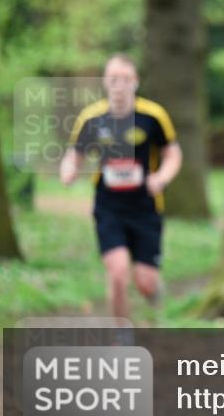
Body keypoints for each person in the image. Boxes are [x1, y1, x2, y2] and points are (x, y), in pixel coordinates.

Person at [60, 54, 182, 326]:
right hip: (109, 207)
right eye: (113, 79)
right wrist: (68, 170)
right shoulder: (92, 118)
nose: (119, 86)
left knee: (145, 282)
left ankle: (153, 291)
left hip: (145, 207)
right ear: (105, 82)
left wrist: (161, 178)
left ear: (135, 82)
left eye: (125, 79)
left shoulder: (153, 115)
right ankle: (121, 337)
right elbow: (74, 155)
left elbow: (173, 154)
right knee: (117, 273)